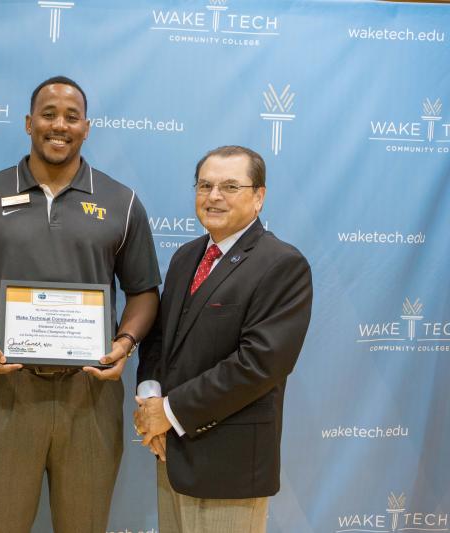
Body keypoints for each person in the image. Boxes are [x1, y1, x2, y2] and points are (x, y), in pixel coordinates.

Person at [0, 76, 161, 533]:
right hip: (7, 391)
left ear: (87, 127)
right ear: (28, 123)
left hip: (91, 392)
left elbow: (143, 290)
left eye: (71, 116)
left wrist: (124, 343)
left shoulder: (122, 202)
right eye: (48, 114)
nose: (59, 125)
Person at [134, 145, 312, 533]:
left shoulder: (281, 264)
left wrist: (168, 412)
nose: (214, 196)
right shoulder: (186, 257)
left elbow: (259, 365)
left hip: (228, 469)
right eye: (205, 185)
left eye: (230, 186)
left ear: (259, 196)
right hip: (171, 456)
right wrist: (150, 398)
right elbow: (160, 338)